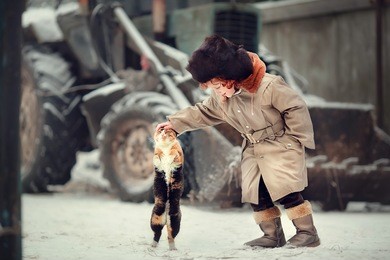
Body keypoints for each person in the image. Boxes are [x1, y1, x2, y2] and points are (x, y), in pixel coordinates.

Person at [155, 35, 320, 248]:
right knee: (256, 193)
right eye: (213, 88)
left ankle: (307, 232)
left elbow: (295, 107)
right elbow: (203, 112)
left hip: (280, 144)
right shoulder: (222, 98)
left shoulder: (269, 86)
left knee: (286, 189)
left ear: (230, 77)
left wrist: (296, 139)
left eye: (219, 86)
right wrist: (175, 124)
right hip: (253, 147)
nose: (218, 92)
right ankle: (272, 235)